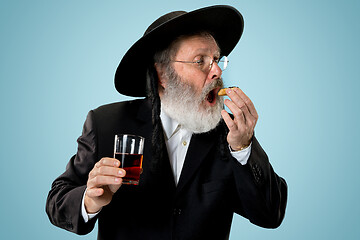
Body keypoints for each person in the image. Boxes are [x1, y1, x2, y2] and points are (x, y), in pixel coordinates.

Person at [46, 5, 287, 240]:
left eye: (216, 59)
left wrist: (243, 149)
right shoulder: (106, 123)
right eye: (200, 61)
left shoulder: (232, 133)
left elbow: (270, 214)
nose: (216, 72)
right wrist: (89, 199)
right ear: (162, 74)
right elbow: (58, 200)